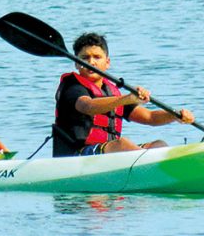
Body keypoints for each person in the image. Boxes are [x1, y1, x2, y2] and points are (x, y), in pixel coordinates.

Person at [52, 32, 195, 158]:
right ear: (77, 64)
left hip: (105, 154)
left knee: (158, 145)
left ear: (107, 62)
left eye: (97, 57)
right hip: (76, 156)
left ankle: (163, 166)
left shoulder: (111, 91)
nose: (91, 62)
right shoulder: (72, 87)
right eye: (85, 58)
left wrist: (175, 116)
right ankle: (149, 168)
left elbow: (150, 117)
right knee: (122, 144)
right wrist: (126, 99)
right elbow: (88, 106)